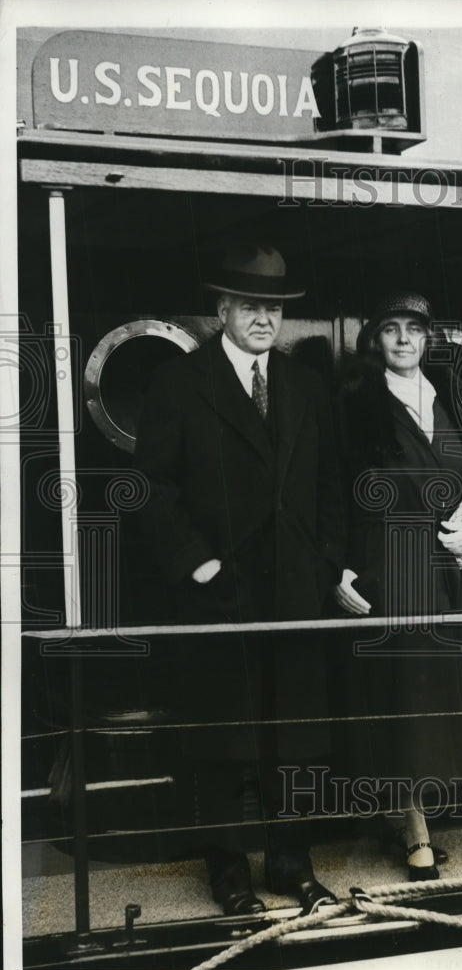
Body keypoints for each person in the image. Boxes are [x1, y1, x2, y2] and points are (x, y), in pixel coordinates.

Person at [134, 244, 345, 915]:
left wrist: (326, 564)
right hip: (217, 594)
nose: (263, 318)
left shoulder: (306, 386)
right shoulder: (178, 384)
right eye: (250, 305)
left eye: (273, 308)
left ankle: (290, 863)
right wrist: (196, 562)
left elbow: (332, 487)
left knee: (296, 737)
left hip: (295, 594)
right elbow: (150, 487)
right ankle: (227, 872)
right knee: (223, 739)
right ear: (221, 310)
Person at [333, 291, 462, 880]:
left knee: (436, 699)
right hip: (388, 566)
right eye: (391, 329)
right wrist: (342, 566)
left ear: (428, 339)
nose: (403, 339)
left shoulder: (452, 397)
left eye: (414, 330)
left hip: (448, 572)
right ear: (376, 339)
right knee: (402, 698)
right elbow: (333, 490)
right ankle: (416, 832)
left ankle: (402, 819)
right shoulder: (356, 403)